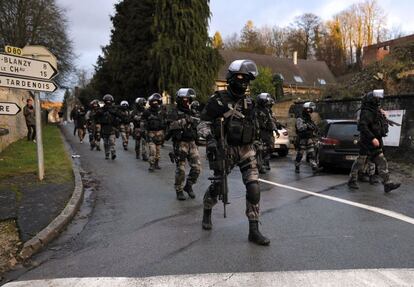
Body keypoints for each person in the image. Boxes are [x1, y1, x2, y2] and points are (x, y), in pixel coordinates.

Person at [198, 59, 270, 246]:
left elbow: (254, 126)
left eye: (247, 79)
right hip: (225, 148)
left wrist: (260, 144)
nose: (243, 82)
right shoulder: (218, 101)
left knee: (254, 188)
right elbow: (203, 123)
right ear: (230, 78)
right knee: (218, 187)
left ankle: (253, 230)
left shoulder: (249, 103)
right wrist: (211, 139)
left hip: (246, 149)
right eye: (240, 77)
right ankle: (207, 210)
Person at [348, 90, 401, 193]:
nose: (378, 100)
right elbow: (362, 126)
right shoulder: (366, 112)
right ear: (372, 100)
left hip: (376, 143)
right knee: (360, 162)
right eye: (376, 99)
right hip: (367, 142)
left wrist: (384, 116)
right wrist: (372, 138)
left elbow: (381, 126)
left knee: (382, 161)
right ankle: (352, 180)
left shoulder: (376, 111)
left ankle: (387, 183)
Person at [167, 88, 201, 201]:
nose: (186, 101)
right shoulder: (174, 111)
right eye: (184, 99)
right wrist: (185, 121)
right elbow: (171, 125)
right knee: (181, 169)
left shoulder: (192, 111)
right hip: (180, 143)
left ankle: (188, 186)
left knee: (197, 168)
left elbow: (199, 125)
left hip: (191, 143)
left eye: (188, 99)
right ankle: (179, 189)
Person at [142, 93, 166, 171]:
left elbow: (166, 122)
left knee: (158, 151)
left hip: (160, 134)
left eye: (156, 101)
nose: (155, 103)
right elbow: (142, 122)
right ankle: (151, 165)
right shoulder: (147, 112)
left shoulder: (161, 111)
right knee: (152, 150)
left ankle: (156, 163)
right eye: (153, 101)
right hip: (151, 133)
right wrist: (144, 132)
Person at [255, 93, 277, 173]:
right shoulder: (255, 110)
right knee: (260, 149)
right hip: (260, 132)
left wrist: (275, 129)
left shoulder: (266, 110)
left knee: (269, 148)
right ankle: (260, 166)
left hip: (267, 132)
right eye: (265, 101)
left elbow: (270, 121)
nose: (267, 103)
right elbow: (255, 122)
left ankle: (265, 163)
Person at [294, 102, 319, 173]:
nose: (310, 112)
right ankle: (297, 166)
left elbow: (313, 126)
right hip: (302, 138)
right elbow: (299, 128)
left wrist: (314, 127)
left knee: (311, 153)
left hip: (309, 138)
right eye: (309, 110)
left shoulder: (308, 117)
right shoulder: (300, 118)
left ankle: (314, 167)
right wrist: (307, 126)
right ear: (306, 109)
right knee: (300, 153)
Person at [96, 94, 120, 160]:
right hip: (104, 128)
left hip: (112, 127)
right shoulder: (102, 109)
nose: (108, 102)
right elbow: (97, 115)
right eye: (107, 101)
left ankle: (113, 153)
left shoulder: (114, 109)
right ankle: (107, 153)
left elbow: (118, 114)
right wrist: (103, 110)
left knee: (112, 141)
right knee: (106, 142)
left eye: (109, 101)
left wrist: (111, 111)